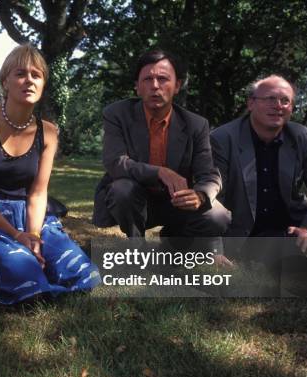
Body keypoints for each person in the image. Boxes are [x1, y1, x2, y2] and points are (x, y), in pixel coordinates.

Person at [0, 44, 101, 305]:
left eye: (36, 75)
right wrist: (17, 237)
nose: (29, 80)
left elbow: (38, 193)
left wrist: (34, 237)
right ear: (5, 81)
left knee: (84, 274)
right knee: (24, 269)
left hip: (30, 218)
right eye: (20, 74)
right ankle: (28, 271)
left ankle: (47, 259)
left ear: (43, 84)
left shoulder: (48, 131)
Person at [92, 50, 230, 245]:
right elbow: (115, 163)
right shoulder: (117, 114)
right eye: (147, 79)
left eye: (163, 79)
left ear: (177, 86)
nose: (155, 86)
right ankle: (136, 247)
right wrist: (160, 172)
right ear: (137, 87)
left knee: (219, 216)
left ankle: (173, 242)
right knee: (122, 189)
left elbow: (209, 174)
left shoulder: (196, 125)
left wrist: (199, 196)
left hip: (177, 202)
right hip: (134, 198)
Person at [211, 75, 307, 255]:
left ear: (291, 108)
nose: (278, 106)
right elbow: (211, 199)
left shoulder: (299, 136)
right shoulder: (223, 139)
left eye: (285, 101)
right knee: (289, 261)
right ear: (251, 104)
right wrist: (214, 249)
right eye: (270, 99)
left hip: (293, 227)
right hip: (247, 233)